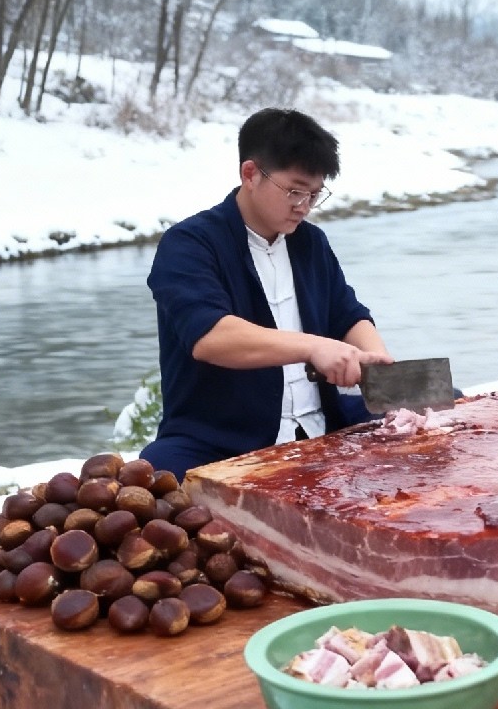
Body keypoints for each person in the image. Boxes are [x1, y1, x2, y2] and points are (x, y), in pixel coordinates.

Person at [140, 107, 393, 478]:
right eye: (293, 191)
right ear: (250, 174)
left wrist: (377, 364)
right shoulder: (189, 244)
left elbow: (348, 314)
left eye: (314, 195)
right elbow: (211, 336)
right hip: (221, 436)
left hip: (324, 422)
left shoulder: (311, 243)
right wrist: (313, 347)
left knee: (447, 406)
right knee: (157, 476)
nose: (303, 207)